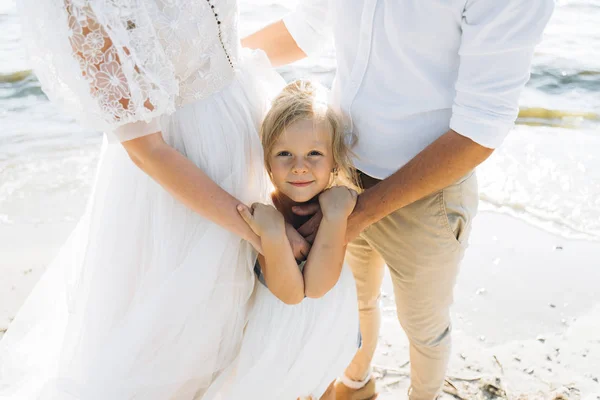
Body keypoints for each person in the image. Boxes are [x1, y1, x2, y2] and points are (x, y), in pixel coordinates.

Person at [242, 1, 555, 399]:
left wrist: (355, 216)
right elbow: (308, 27)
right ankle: (356, 385)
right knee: (355, 302)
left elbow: (482, 125)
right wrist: (217, 63)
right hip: (340, 176)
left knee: (424, 326)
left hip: (427, 193)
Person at [0, 0, 308, 398]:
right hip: (183, 185)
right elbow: (146, 149)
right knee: (184, 352)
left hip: (252, 137)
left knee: (257, 339)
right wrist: (259, 231)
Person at [202, 79, 359, 400]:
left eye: (314, 153)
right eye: (284, 153)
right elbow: (291, 294)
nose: (299, 167)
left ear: (334, 162)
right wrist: (273, 232)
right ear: (267, 164)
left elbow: (318, 286)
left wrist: (335, 217)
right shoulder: (266, 213)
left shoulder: (333, 206)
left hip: (327, 328)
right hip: (278, 341)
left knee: (323, 385)